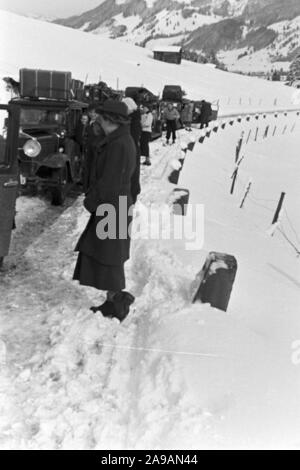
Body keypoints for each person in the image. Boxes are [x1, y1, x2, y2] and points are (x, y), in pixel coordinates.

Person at [73, 100, 136, 322]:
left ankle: (118, 303)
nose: (96, 118)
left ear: (109, 119)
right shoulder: (117, 140)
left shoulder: (119, 144)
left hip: (112, 206)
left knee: (110, 257)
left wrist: (92, 202)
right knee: (107, 255)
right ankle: (114, 300)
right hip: (113, 205)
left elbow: (110, 182)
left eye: (100, 116)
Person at [122, 96, 142, 204]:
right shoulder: (134, 119)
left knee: (131, 175)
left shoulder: (133, 121)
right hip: (132, 151)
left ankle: (131, 198)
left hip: (131, 152)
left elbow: (132, 138)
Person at [83, 104, 105, 193]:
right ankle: (87, 188)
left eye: (95, 112)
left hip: (96, 149)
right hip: (89, 148)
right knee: (88, 168)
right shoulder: (89, 123)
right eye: (91, 112)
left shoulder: (99, 124)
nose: (93, 114)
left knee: (94, 169)